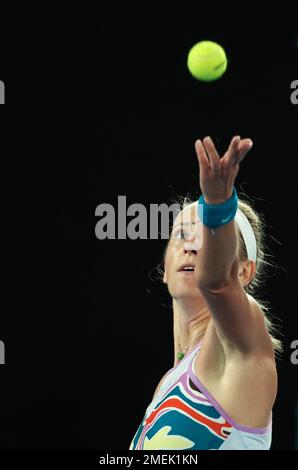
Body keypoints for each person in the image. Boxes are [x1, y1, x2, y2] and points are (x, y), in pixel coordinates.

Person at [129, 135, 282, 450]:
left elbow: (217, 283)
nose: (191, 246)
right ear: (165, 266)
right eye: (181, 235)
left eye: (207, 237)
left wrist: (217, 207)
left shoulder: (239, 344)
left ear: (243, 271)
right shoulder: (165, 389)